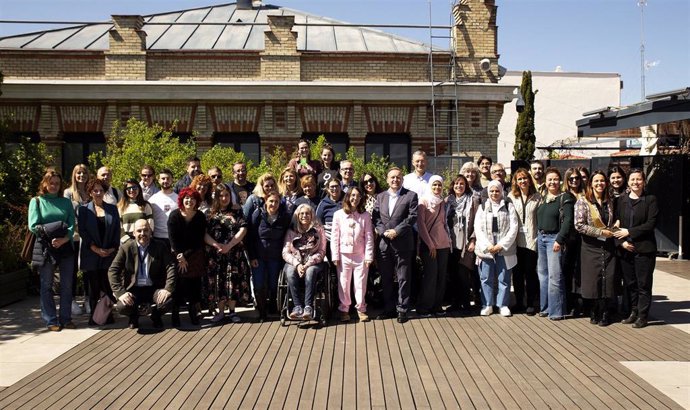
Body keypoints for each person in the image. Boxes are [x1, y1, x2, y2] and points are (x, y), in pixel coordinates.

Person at [28, 169, 77, 331]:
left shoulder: (66, 202)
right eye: (51, 183)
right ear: (45, 184)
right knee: (46, 285)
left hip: (65, 247)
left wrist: (64, 239)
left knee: (67, 285)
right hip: (46, 248)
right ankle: (51, 320)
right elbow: (33, 226)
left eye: (57, 183)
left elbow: (71, 224)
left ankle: (66, 318)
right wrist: (52, 238)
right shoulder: (36, 201)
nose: (54, 186)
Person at [168, 188, 222, 326]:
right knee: (178, 285)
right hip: (177, 254)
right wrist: (180, 256)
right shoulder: (174, 216)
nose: (189, 201)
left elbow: (199, 239)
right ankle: (175, 314)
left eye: (192, 198)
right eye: (186, 198)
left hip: (195, 253)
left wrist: (185, 256)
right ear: (181, 200)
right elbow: (173, 239)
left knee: (194, 285)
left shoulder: (199, 216)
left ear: (196, 201)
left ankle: (193, 312)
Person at [108, 219, 176, 329]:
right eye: (139, 231)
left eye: (146, 230)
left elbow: (171, 266)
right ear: (133, 233)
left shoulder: (160, 246)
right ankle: (133, 316)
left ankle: (156, 316)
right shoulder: (126, 248)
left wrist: (167, 289)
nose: (142, 234)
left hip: (153, 288)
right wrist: (120, 292)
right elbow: (113, 270)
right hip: (134, 289)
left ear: (151, 232)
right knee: (121, 306)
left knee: (168, 301)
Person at [613, 168, 658, 329]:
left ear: (643, 181)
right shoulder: (621, 200)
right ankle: (633, 312)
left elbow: (650, 224)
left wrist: (629, 232)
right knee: (630, 284)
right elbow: (616, 223)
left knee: (643, 284)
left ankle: (643, 315)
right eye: (632, 179)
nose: (635, 182)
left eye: (638, 179)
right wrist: (622, 241)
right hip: (626, 248)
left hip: (644, 250)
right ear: (628, 181)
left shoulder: (650, 200)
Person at [372, 167, 418, 323]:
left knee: (403, 277)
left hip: (402, 243)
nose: (395, 180)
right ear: (387, 179)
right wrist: (384, 231)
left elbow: (412, 217)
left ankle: (402, 309)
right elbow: (376, 218)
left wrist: (396, 231)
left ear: (402, 180)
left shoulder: (411, 196)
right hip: (384, 244)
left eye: (398, 177)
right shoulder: (380, 197)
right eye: (392, 177)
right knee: (385, 278)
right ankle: (389, 308)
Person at [574, 171, 617, 327]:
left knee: (608, 278)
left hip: (608, 246)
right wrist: (600, 232)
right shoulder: (583, 202)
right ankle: (594, 311)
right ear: (591, 184)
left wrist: (613, 229)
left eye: (602, 181)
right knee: (593, 280)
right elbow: (579, 225)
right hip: (590, 246)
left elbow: (613, 221)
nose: (599, 184)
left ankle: (605, 312)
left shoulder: (610, 201)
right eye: (596, 181)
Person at [205, 184, 252, 323]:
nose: (224, 198)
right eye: (221, 195)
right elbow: (204, 234)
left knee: (233, 281)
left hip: (234, 253)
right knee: (218, 282)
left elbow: (243, 229)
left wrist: (229, 245)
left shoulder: (237, 211)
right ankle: (220, 312)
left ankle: (232, 312)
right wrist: (216, 245)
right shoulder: (209, 213)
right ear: (216, 197)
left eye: (226, 195)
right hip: (216, 254)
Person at [78, 178, 120, 326]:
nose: (98, 193)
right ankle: (95, 317)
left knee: (107, 286)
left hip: (108, 253)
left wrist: (111, 249)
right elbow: (83, 231)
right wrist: (96, 249)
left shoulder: (112, 209)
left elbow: (116, 231)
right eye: (95, 190)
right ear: (90, 192)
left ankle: (107, 316)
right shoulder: (83, 209)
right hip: (91, 254)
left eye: (101, 190)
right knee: (94, 287)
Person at [474, 180, 519, 317]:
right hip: (486, 248)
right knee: (486, 277)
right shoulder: (482, 206)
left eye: (497, 191)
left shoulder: (508, 205)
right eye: (492, 191)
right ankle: (487, 304)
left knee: (504, 278)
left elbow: (514, 227)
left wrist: (501, 245)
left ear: (501, 192)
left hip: (504, 248)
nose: (494, 193)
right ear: (488, 192)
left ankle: (503, 305)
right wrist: (488, 246)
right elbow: (478, 228)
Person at [536, 167, 575, 320]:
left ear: (559, 181)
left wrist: (560, 239)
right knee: (543, 275)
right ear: (545, 182)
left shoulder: (565, 198)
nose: (552, 182)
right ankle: (545, 308)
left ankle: (556, 311)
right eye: (549, 179)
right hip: (541, 237)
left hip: (554, 239)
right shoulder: (543, 197)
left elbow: (568, 220)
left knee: (555, 276)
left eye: (555, 179)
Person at [331, 187, 374, 322]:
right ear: (348, 197)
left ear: (361, 198)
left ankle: (361, 309)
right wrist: (335, 256)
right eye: (352, 195)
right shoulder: (338, 214)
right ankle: (344, 309)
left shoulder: (365, 215)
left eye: (358, 196)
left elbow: (369, 236)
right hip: (343, 255)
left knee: (360, 283)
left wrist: (369, 256)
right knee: (344, 283)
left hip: (360, 255)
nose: (355, 198)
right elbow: (334, 237)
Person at [247, 191, 291, 322]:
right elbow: (250, 237)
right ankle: (262, 312)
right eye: (271, 201)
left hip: (275, 257)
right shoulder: (258, 215)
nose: (273, 204)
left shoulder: (284, 217)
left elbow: (287, 237)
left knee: (273, 284)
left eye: (276, 201)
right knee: (259, 284)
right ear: (266, 201)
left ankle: (273, 304)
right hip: (259, 257)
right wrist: (252, 256)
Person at [282, 204, 327, 321]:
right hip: (294, 262)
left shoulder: (319, 230)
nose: (304, 216)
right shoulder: (291, 231)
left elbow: (322, 251)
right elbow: (285, 252)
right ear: (297, 215)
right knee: (290, 272)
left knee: (311, 271)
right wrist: (297, 264)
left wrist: (307, 264)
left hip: (313, 263)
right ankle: (297, 307)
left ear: (312, 215)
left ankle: (308, 307)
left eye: (307, 213)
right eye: (302, 213)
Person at [506, 168, 541, 315]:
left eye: (525, 178)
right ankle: (519, 302)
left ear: (529, 179)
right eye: (519, 179)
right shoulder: (511, 197)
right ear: (516, 181)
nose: (523, 181)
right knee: (517, 273)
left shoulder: (538, 197)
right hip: (516, 242)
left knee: (530, 273)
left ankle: (531, 303)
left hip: (532, 240)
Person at [416, 175, 451, 317]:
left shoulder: (442, 202)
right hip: (429, 245)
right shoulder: (423, 201)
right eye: (434, 185)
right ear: (430, 185)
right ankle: (424, 307)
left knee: (441, 276)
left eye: (439, 185)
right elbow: (421, 224)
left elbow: (443, 223)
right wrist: (430, 244)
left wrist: (449, 241)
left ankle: (437, 306)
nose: (437, 188)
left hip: (443, 244)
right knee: (431, 275)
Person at [445, 174, 479, 314]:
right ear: (453, 186)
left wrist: (473, 239)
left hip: (466, 242)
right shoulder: (447, 201)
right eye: (456, 184)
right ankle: (456, 303)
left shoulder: (473, 200)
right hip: (451, 243)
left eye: (462, 184)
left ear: (466, 186)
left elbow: (478, 221)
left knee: (464, 274)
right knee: (453, 275)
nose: (459, 186)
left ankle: (466, 304)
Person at [63, 163, 90, 315]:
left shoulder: (90, 192)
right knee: (71, 270)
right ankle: (71, 300)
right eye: (79, 173)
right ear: (74, 175)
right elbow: (68, 215)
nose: (81, 176)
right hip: (74, 237)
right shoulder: (68, 193)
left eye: (84, 173)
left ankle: (88, 299)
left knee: (87, 269)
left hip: (88, 238)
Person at [563, 167, 585, 316]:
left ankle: (582, 304)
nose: (575, 181)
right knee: (569, 272)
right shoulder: (565, 196)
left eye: (577, 178)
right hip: (570, 240)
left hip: (585, 239)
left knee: (583, 272)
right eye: (571, 179)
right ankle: (570, 304)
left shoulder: (586, 195)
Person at [148, 169, 178, 248]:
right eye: (163, 178)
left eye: (168, 178)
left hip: (174, 238)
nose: (166, 181)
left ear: (172, 180)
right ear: (158, 180)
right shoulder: (152, 199)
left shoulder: (178, 198)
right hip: (157, 238)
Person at [118, 179, 154, 243]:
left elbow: (150, 225)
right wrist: (127, 240)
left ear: (139, 189)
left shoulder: (145, 205)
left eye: (134, 188)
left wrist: (145, 239)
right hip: (126, 243)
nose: (132, 190)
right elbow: (119, 226)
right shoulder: (120, 206)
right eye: (128, 188)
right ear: (125, 191)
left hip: (143, 241)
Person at [316, 177, 344, 245]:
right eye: (332, 187)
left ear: (340, 187)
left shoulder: (347, 201)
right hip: (329, 241)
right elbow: (318, 223)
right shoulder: (323, 204)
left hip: (346, 240)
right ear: (328, 189)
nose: (334, 189)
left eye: (337, 186)